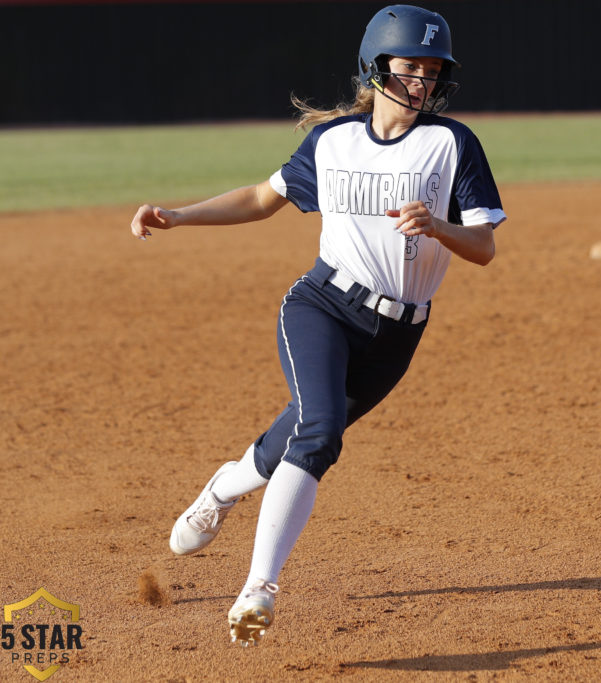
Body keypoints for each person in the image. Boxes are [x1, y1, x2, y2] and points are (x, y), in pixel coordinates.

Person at [129, 4, 506, 647]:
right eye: (410, 66)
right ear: (378, 66)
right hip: (322, 306)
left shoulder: (451, 144)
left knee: (297, 435)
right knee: (321, 432)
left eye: (432, 69)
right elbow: (260, 198)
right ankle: (259, 589)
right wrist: (179, 216)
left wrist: (440, 226)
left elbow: (484, 246)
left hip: (397, 337)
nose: (422, 80)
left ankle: (220, 489)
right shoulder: (333, 142)